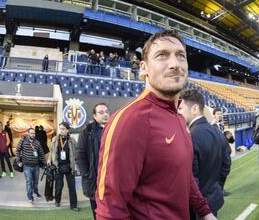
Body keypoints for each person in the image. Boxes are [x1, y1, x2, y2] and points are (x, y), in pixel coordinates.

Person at [95, 30, 216, 219]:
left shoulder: (177, 116)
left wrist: (205, 212)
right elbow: (110, 208)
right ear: (143, 68)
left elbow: (184, 174)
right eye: (162, 55)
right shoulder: (129, 121)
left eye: (180, 56)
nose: (174, 64)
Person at [178, 89, 231, 219]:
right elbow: (226, 163)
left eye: (180, 109)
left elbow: (191, 179)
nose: (177, 112)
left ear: (194, 109)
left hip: (198, 208)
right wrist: (217, 186)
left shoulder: (190, 137)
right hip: (213, 199)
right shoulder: (216, 131)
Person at [76, 103, 110, 218]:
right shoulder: (87, 132)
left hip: (112, 180)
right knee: (98, 212)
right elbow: (80, 155)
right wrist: (86, 174)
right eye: (101, 112)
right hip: (95, 179)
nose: (105, 115)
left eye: (106, 112)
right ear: (94, 116)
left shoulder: (114, 129)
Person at [48, 122, 78, 211]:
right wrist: (49, 159)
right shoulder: (55, 139)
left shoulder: (72, 140)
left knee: (72, 187)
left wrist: (76, 165)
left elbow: (76, 153)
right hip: (58, 166)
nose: (61, 130)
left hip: (70, 167)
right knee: (58, 186)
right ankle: (57, 201)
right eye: (60, 128)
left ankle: (74, 205)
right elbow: (51, 151)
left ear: (67, 130)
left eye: (63, 129)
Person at [16, 128, 45, 203]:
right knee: (29, 181)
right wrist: (18, 161)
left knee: (35, 181)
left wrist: (44, 162)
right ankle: (30, 197)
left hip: (36, 166)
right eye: (31, 133)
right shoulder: (23, 140)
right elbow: (17, 150)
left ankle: (35, 191)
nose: (33, 135)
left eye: (34, 133)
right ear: (28, 133)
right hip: (27, 166)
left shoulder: (37, 143)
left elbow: (41, 153)